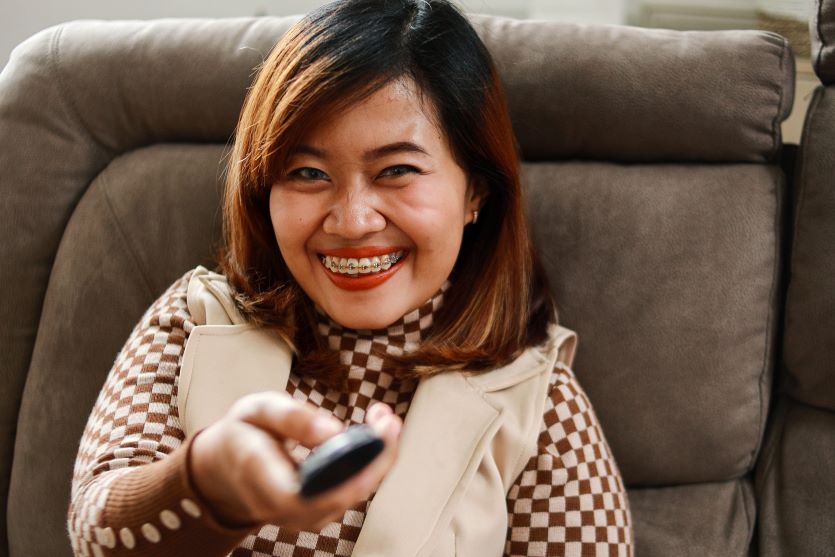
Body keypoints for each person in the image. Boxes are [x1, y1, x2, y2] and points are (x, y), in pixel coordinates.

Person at [68, 0, 633, 555]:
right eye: (308, 173)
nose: (352, 220)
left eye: (397, 171)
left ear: (475, 193)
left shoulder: (540, 405)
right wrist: (208, 482)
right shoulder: (194, 320)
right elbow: (96, 534)